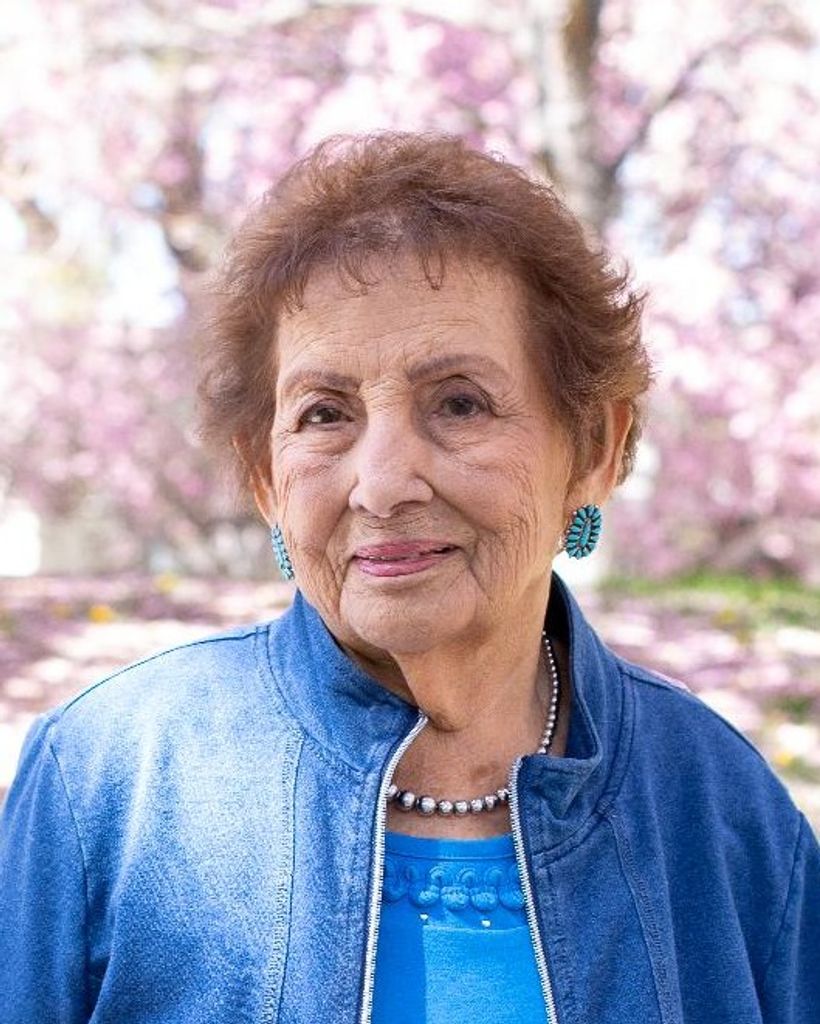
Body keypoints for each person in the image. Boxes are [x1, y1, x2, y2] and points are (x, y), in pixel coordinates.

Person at [0, 132, 817, 1024]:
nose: (383, 484)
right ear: (267, 476)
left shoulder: (722, 811)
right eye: (324, 415)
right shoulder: (104, 782)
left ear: (594, 447)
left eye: (459, 403)